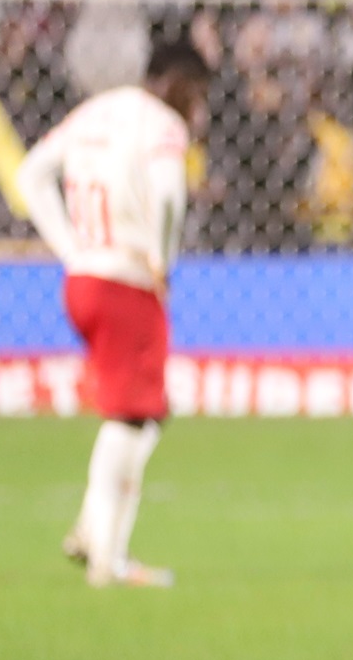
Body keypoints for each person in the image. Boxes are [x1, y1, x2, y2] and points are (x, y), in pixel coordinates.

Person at [15, 40, 212, 589]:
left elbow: (31, 174)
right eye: (196, 94)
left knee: (142, 412)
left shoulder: (95, 111)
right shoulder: (162, 128)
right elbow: (170, 195)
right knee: (130, 417)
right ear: (173, 81)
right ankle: (106, 556)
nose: (198, 111)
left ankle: (91, 531)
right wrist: (163, 260)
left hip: (83, 279)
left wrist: (70, 248)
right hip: (127, 279)